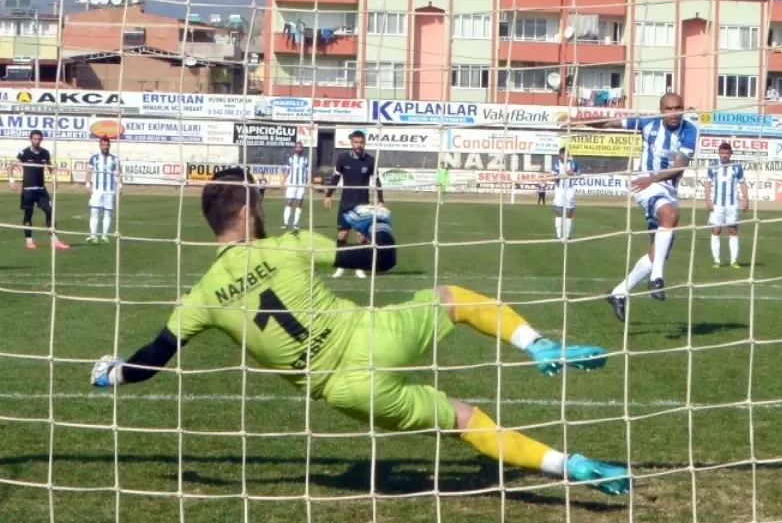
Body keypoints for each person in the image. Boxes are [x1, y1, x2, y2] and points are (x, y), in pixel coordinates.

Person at [90, 169, 629, 496]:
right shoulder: (288, 244)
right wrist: (379, 221)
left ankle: (570, 465)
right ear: (250, 209)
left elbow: (152, 358)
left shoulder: (201, 298)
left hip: (345, 391)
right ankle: (537, 344)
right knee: (452, 299)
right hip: (371, 336)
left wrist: (113, 373)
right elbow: (384, 261)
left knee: (462, 418)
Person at [566, 93, 697, 322]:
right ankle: (657, 279)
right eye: (669, 108)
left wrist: (654, 179)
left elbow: (679, 166)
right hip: (645, 185)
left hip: (665, 186)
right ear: (661, 109)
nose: (674, 112)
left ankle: (619, 293)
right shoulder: (647, 123)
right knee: (671, 215)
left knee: (659, 251)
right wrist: (581, 122)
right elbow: (611, 122)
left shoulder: (690, 130)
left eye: (678, 107)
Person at [324, 130, 382, 279]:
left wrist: (380, 200)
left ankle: (359, 267)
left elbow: (377, 181)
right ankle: (341, 266)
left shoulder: (370, 160)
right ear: (351, 143)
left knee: (361, 237)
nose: (359, 145)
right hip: (346, 203)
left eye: (361, 142)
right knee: (342, 235)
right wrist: (328, 195)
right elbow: (335, 178)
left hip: (362, 204)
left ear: (365, 143)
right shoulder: (343, 158)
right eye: (356, 142)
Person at [10, 130, 68, 251]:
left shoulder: (45, 153)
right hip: (28, 190)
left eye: (39, 139)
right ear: (30, 139)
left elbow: (50, 168)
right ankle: (29, 240)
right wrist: (12, 180)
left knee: (50, 211)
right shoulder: (24, 152)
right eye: (34, 139)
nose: (36, 141)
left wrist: (53, 179)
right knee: (28, 214)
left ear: (41, 140)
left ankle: (55, 240)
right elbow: (11, 165)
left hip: (41, 189)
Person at [705, 142, 748, 268]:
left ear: (730, 154)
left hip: (732, 205)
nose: (724, 155)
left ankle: (733, 260)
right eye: (722, 153)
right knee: (716, 230)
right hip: (717, 204)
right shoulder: (713, 166)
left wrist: (746, 199)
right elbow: (708, 184)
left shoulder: (737, 167)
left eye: (727, 153)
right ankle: (716, 260)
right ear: (719, 153)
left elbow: (742, 183)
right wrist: (707, 200)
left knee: (733, 230)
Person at [85, 135, 120, 244]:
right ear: (100, 145)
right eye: (103, 145)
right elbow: (88, 172)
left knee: (107, 213)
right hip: (97, 190)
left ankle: (105, 236)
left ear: (109, 145)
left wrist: (120, 185)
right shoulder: (94, 158)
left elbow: (119, 173)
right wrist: (87, 184)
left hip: (110, 190)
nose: (105, 147)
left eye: (107, 145)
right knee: (94, 212)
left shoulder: (115, 159)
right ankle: (93, 236)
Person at [281, 141, 311, 231]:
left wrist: (308, 182)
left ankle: (296, 224)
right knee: (289, 202)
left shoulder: (306, 159)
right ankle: (286, 223)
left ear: (302, 148)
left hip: (301, 184)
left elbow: (307, 172)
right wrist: (282, 182)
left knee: (299, 203)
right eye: (297, 147)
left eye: (300, 147)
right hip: (292, 184)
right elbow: (287, 171)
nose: (299, 149)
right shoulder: (290, 159)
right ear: (295, 148)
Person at [551, 147, 579, 242]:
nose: (565, 156)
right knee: (558, 210)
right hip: (559, 189)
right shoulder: (556, 164)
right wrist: (558, 176)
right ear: (560, 155)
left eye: (567, 154)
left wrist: (573, 173)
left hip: (569, 190)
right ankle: (558, 235)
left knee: (569, 212)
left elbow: (578, 173)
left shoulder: (573, 163)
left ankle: (567, 235)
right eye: (563, 154)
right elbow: (553, 178)